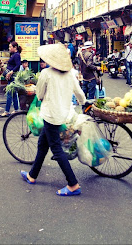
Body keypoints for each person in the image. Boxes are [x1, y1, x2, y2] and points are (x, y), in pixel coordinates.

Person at [20, 43, 86, 196]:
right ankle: (32, 175)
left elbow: (40, 94)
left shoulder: (46, 73)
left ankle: (73, 184)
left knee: (56, 148)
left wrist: (42, 99)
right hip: (63, 114)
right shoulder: (70, 74)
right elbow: (80, 94)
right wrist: (84, 103)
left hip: (50, 115)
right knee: (42, 144)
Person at [1, 41, 22, 117]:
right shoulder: (13, 55)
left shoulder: (16, 55)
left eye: (10, 47)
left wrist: (11, 72)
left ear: (15, 48)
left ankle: (6, 111)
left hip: (12, 77)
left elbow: (18, 65)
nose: (9, 48)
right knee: (13, 94)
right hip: (11, 76)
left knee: (9, 93)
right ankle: (16, 109)